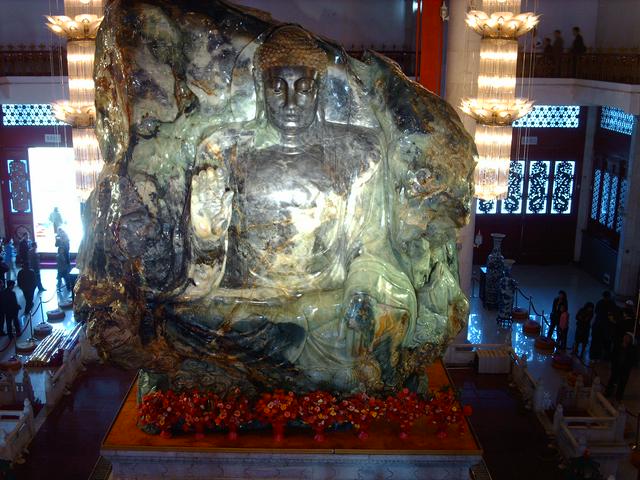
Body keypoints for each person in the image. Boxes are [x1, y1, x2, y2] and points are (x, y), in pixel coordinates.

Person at [605, 332, 637, 401]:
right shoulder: (618, 345)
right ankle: (608, 392)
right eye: (625, 336)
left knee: (622, 382)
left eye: (628, 337)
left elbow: (633, 359)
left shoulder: (632, 348)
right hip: (616, 366)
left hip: (625, 369)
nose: (626, 338)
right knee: (612, 379)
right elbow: (613, 354)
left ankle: (618, 396)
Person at [590, 291, 613, 361]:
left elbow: (596, 313)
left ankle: (593, 357)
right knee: (601, 343)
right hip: (604, 326)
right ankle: (599, 357)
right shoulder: (611, 304)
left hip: (598, 325)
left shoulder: (600, 303)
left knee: (595, 342)